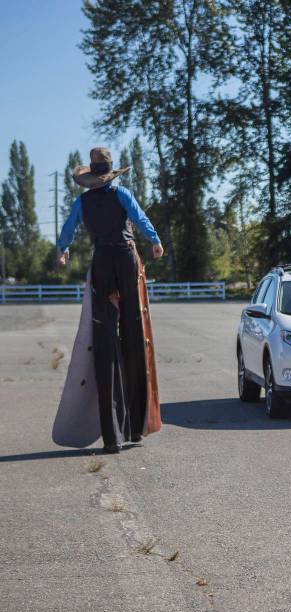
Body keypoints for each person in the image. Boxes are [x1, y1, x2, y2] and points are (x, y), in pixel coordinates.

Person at [51, 147, 163, 454]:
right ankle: (136, 428)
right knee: (134, 335)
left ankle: (111, 437)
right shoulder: (122, 194)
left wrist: (63, 249)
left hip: (102, 261)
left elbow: (69, 228)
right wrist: (155, 241)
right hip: (126, 260)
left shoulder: (83, 202)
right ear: (110, 173)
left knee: (104, 342)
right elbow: (140, 218)